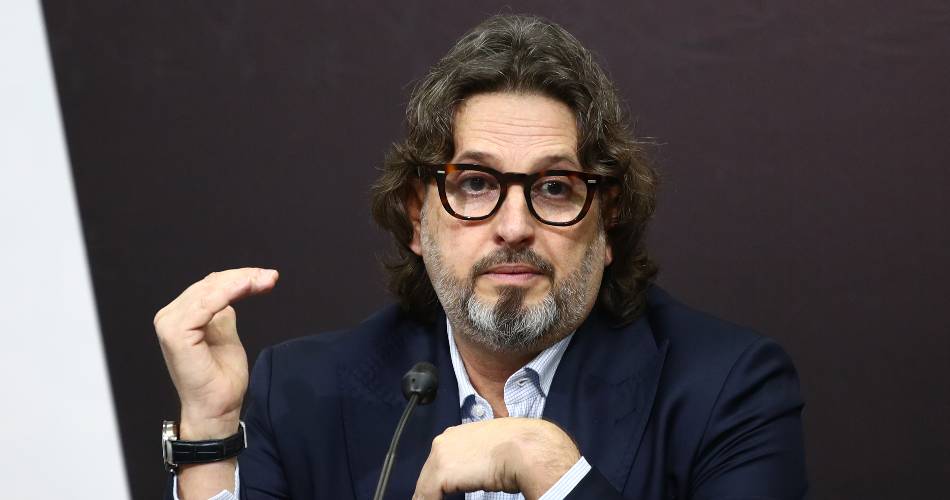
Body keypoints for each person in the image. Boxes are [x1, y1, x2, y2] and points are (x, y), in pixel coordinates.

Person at [155, 14, 808, 500]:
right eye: (475, 184)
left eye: (555, 188)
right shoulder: (304, 393)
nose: (514, 227)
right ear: (417, 217)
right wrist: (209, 436)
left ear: (608, 222)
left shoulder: (727, 389)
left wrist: (557, 478)